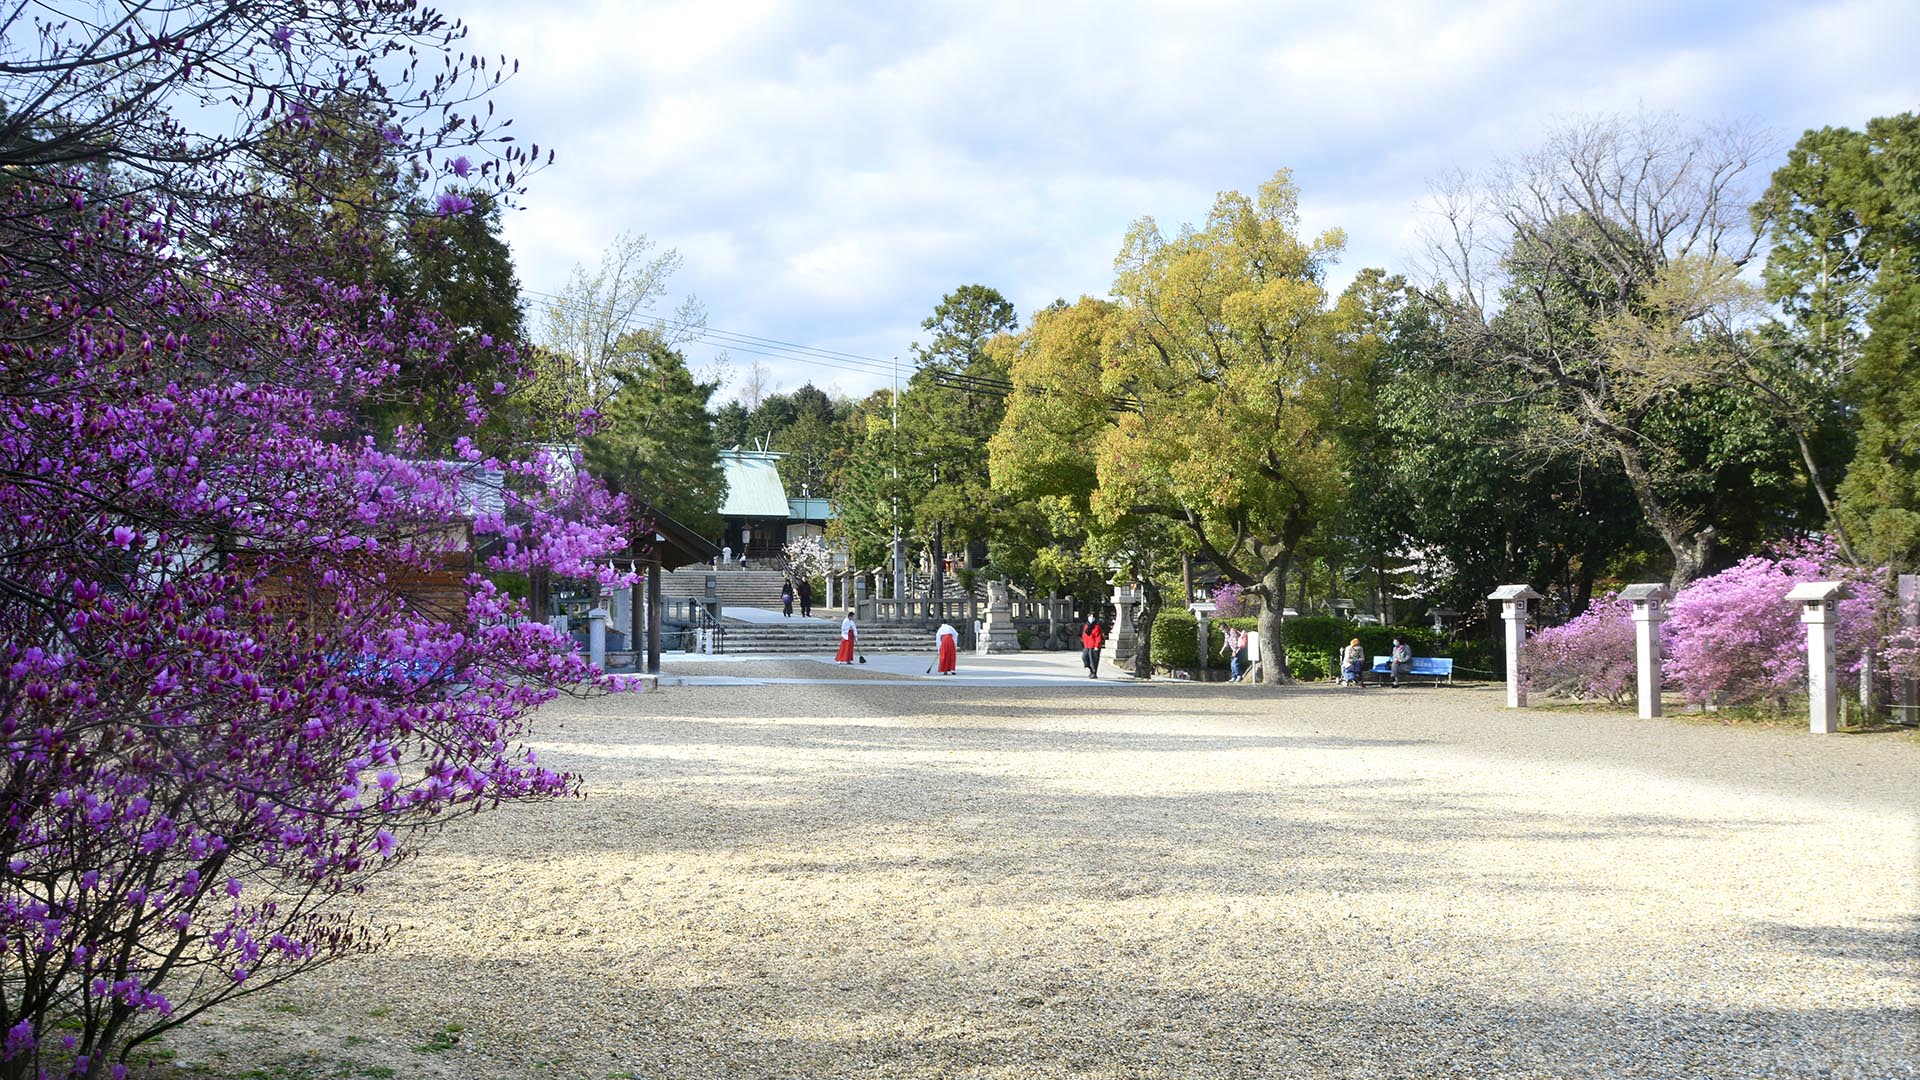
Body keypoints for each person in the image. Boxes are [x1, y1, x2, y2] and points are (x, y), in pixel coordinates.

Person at [1080, 613, 1105, 679]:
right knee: (1084, 657)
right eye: (1090, 616)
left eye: (1092, 616)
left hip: (1094, 646)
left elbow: (1098, 637)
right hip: (1087, 645)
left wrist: (1097, 645)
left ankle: (1094, 672)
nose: (1091, 617)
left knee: (1093, 660)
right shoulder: (1086, 625)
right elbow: (1084, 635)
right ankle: (1090, 668)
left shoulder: (1097, 626)